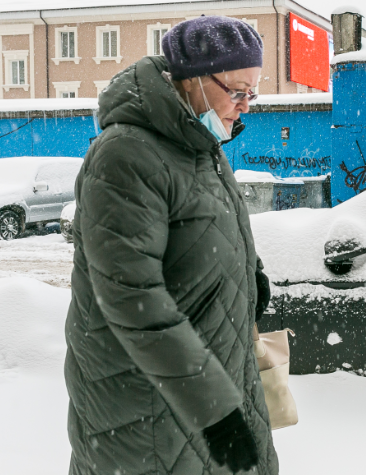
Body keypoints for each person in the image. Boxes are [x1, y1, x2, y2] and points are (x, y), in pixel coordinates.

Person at [64, 16, 278, 475]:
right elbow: (131, 296)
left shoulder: (200, 146)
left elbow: (204, 226)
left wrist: (247, 273)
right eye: (237, 91)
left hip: (202, 389)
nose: (245, 106)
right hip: (147, 414)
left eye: (252, 93)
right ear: (194, 80)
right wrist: (214, 410)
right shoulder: (125, 155)